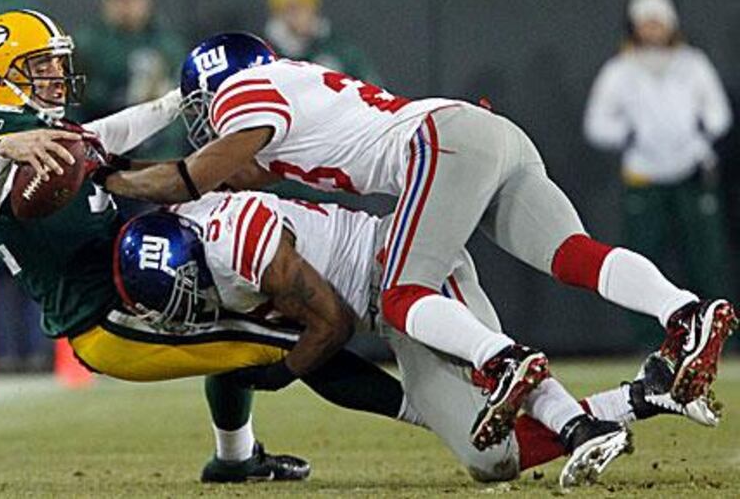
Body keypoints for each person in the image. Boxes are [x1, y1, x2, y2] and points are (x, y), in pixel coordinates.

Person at [99, 32, 738, 414]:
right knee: (572, 252)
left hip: (437, 145)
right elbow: (223, 175)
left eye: (199, 106)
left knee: (403, 295)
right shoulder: (290, 91)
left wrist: (104, 175)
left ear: (218, 88)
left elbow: (190, 178)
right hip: (477, 131)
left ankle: (505, 361)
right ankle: (683, 312)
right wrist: (126, 165)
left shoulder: (249, 94)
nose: (203, 119)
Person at [113, 190, 719, 487]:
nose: (186, 308)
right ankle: (646, 394)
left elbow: (332, 327)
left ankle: (584, 422)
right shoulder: (185, 248)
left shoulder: (238, 246)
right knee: (489, 455)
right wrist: (418, 413)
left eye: (186, 292)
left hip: (406, 275)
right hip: (379, 311)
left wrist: (279, 372)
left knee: (496, 396)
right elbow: (297, 360)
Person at [0, 9, 311, 483]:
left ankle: (236, 458)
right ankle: (416, 411)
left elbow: (110, 132)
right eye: (40, 66)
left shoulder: (44, 126)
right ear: (0, 77)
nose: (56, 75)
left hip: (128, 290)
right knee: (300, 334)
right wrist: (1, 152)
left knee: (239, 305)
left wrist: (176, 101)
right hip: (106, 317)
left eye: (57, 63)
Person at [584, 0, 733, 346]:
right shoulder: (620, 70)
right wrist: (629, 134)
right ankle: (650, 345)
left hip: (691, 176)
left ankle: (717, 340)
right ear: (635, 26)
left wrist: (699, 135)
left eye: (658, 22)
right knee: (642, 262)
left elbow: (719, 114)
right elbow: (597, 123)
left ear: (670, 24)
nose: (652, 29)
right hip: (644, 176)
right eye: (646, 22)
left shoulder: (693, 64)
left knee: (706, 260)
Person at [75, 0, 187, 159]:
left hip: (158, 140)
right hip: (104, 134)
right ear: (105, 3)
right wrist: (120, 96)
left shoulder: (168, 44)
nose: (127, 5)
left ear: (148, 2)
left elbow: (182, 93)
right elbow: (78, 97)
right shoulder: (87, 43)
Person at [265, 0, 380, 82]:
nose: (296, 15)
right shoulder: (268, 53)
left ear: (313, 8)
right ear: (277, 14)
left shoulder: (340, 50)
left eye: (302, 7)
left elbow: (371, 89)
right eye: (289, 9)